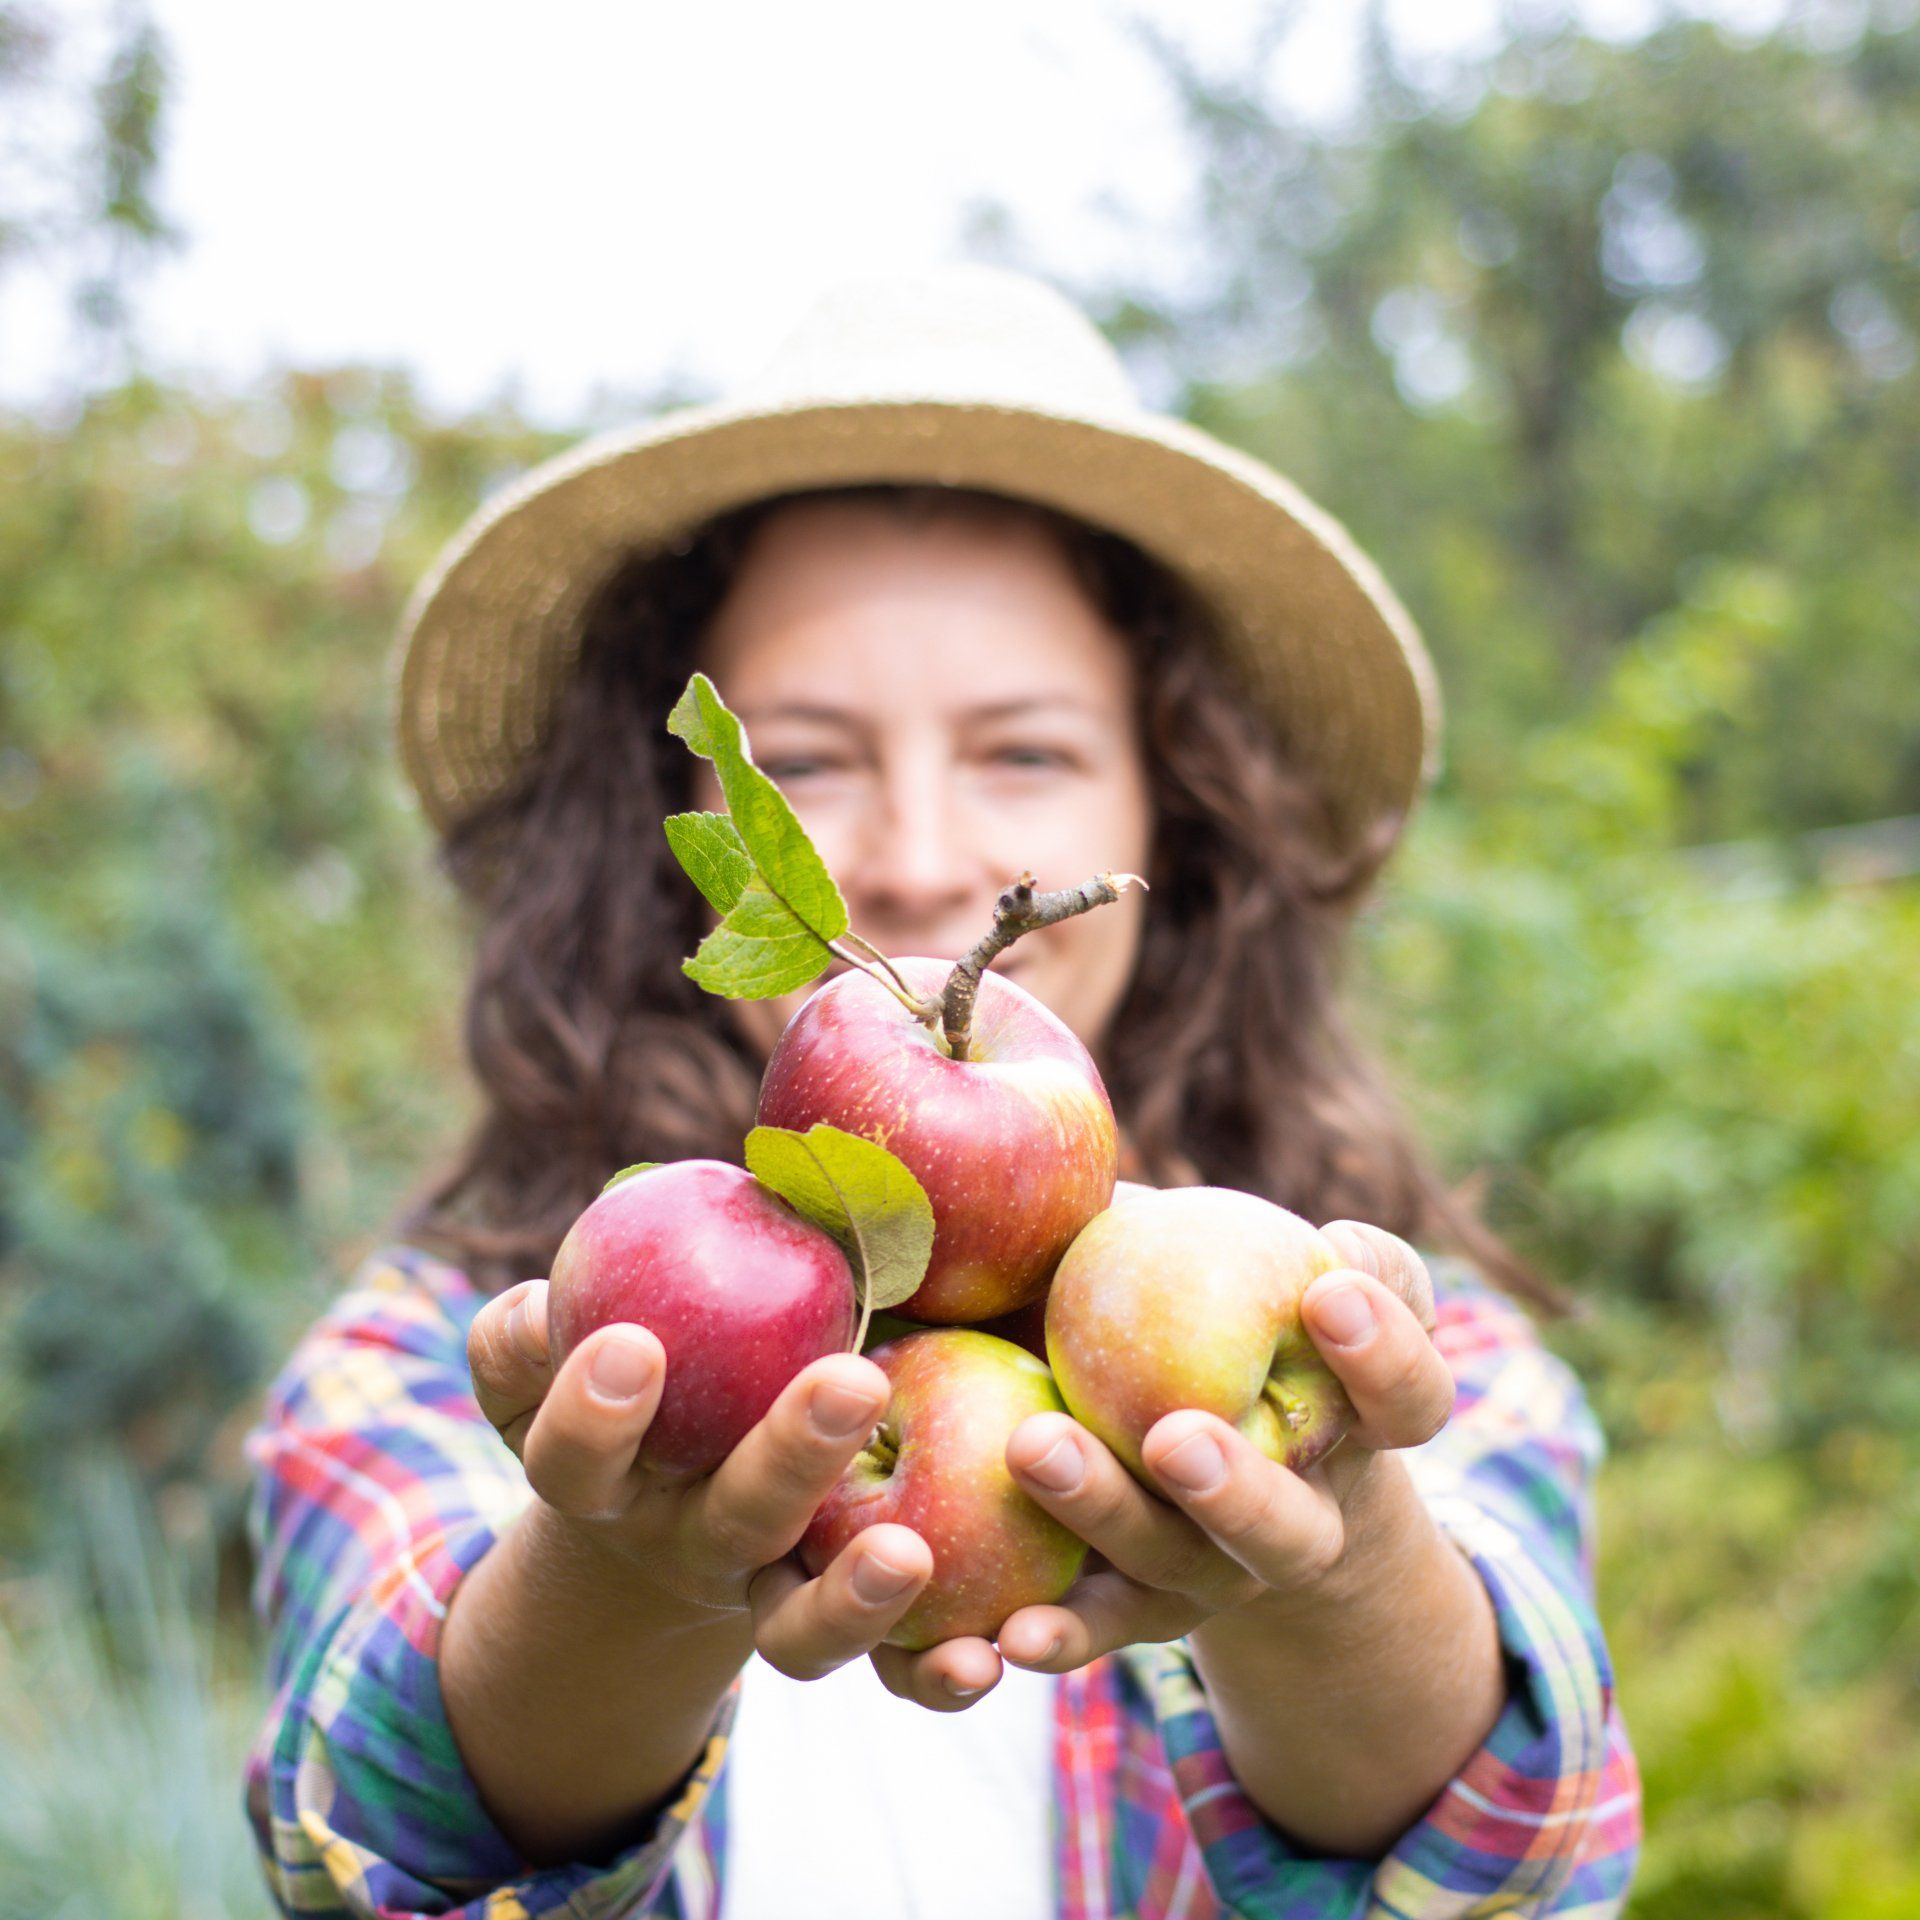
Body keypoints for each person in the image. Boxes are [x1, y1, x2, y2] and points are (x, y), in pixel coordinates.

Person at [242, 266, 1641, 1919]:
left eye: (1026, 756)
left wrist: (1328, 1565)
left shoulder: (1410, 1358)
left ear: (1176, 813)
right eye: (809, 763)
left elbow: (1527, 1870)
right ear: (669, 819)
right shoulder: (482, 1356)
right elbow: (365, 1854)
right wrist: (617, 1578)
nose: (913, 865)